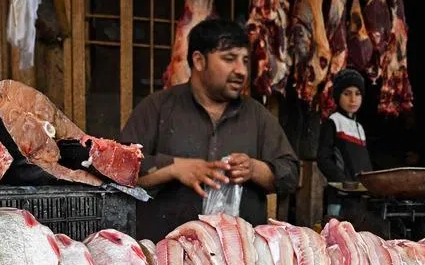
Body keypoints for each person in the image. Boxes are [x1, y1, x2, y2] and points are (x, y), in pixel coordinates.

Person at [120, 19, 300, 240]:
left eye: (245, 60)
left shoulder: (257, 115)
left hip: (237, 259)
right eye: (229, 59)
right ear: (198, 60)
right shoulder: (157, 108)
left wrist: (254, 169)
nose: (241, 71)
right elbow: (120, 168)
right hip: (168, 255)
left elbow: (290, 174)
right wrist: (174, 168)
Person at [317, 68, 373, 185]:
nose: (353, 99)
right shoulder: (333, 121)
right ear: (338, 96)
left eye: (357, 94)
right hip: (341, 194)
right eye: (347, 94)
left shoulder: (360, 128)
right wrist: (342, 181)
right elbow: (323, 159)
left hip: (360, 193)